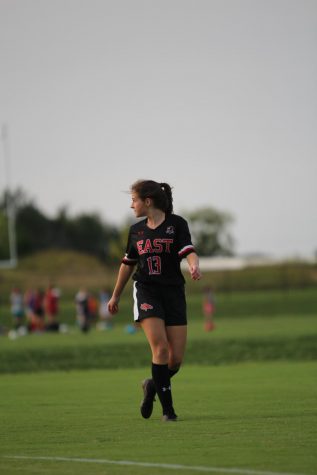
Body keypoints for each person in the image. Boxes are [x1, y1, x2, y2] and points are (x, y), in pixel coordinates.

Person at [108, 179, 201, 422]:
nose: (131, 205)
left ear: (147, 201)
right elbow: (127, 264)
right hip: (147, 290)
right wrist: (116, 295)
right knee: (160, 348)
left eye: (133, 200)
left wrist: (194, 266)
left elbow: (188, 251)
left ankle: (152, 385)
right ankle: (168, 412)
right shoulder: (136, 231)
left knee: (175, 359)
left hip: (173, 292)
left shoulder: (177, 224)